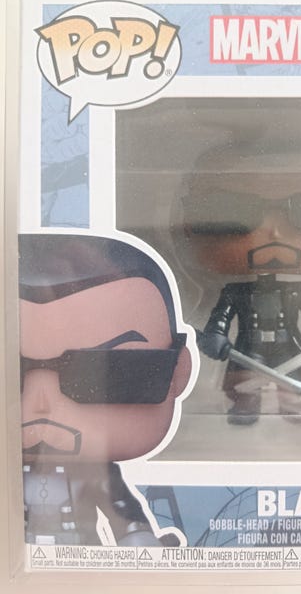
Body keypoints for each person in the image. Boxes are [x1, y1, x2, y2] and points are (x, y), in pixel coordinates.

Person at [19, 233, 194, 546]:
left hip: (85, 562)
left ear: (178, 371)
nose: (40, 403)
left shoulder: (97, 474)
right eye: (13, 374)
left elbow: (125, 516)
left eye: (113, 370)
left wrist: (140, 543)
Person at [180, 142, 301, 424]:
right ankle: (245, 405)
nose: (274, 231)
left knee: (293, 380)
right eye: (232, 211)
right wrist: (215, 336)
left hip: (289, 346)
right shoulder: (235, 293)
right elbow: (221, 317)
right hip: (248, 348)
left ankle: (293, 405)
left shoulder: (299, 292)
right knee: (242, 384)